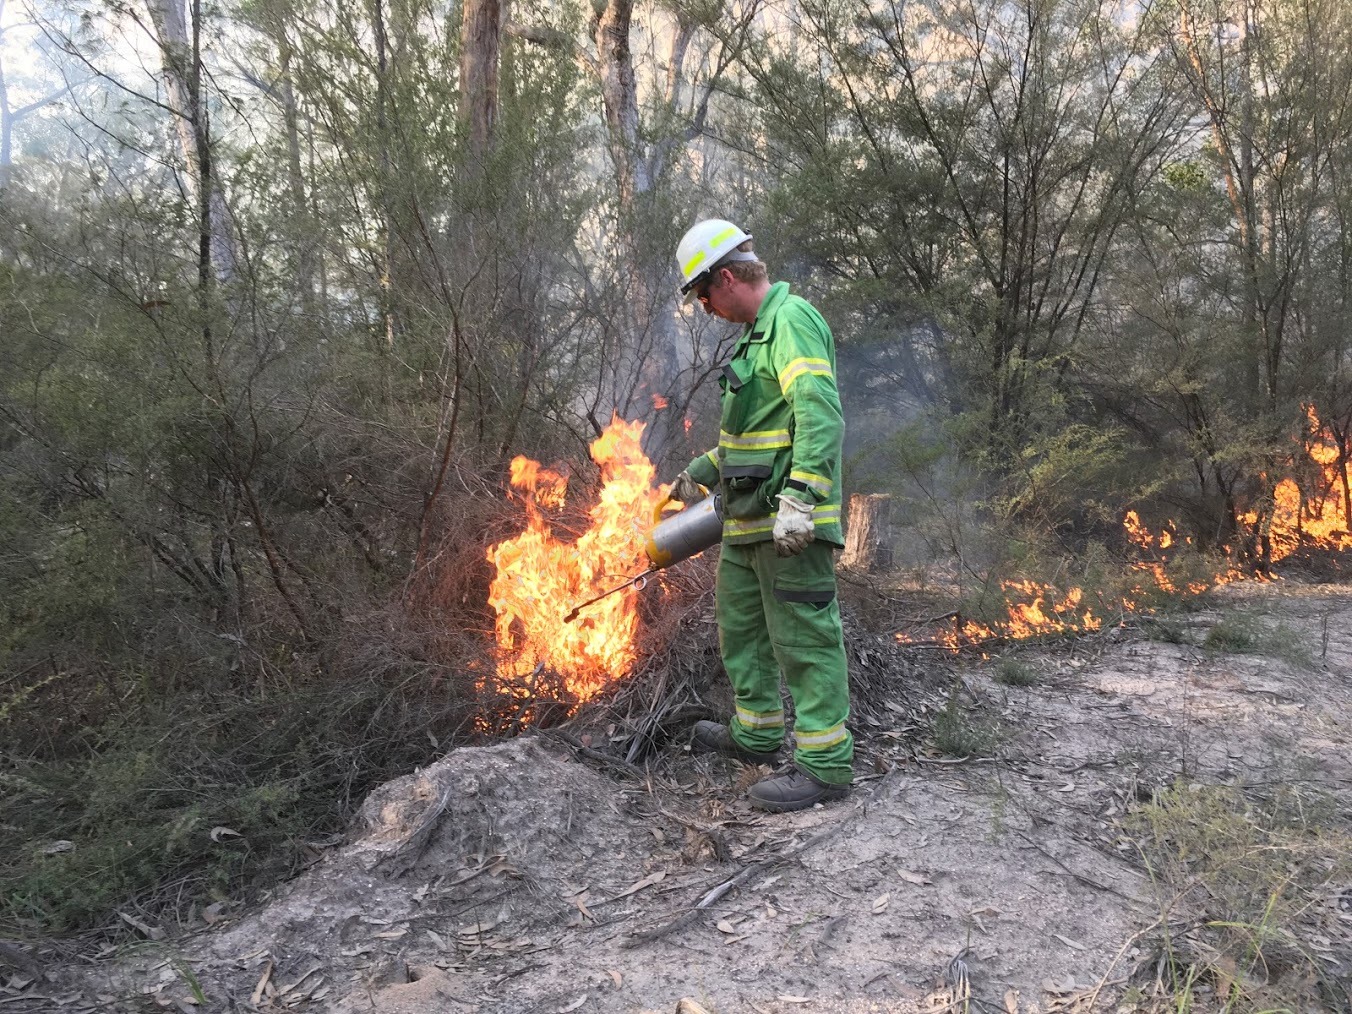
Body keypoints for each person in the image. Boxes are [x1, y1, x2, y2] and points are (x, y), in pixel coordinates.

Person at [670, 218, 853, 813]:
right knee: (742, 633)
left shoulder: (792, 321)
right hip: (746, 529)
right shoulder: (755, 338)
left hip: (788, 528)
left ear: (725, 278)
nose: (704, 306)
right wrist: (698, 471)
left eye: (702, 294)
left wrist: (802, 499)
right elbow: (755, 435)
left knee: (804, 640)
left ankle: (825, 765)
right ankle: (757, 737)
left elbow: (818, 414)